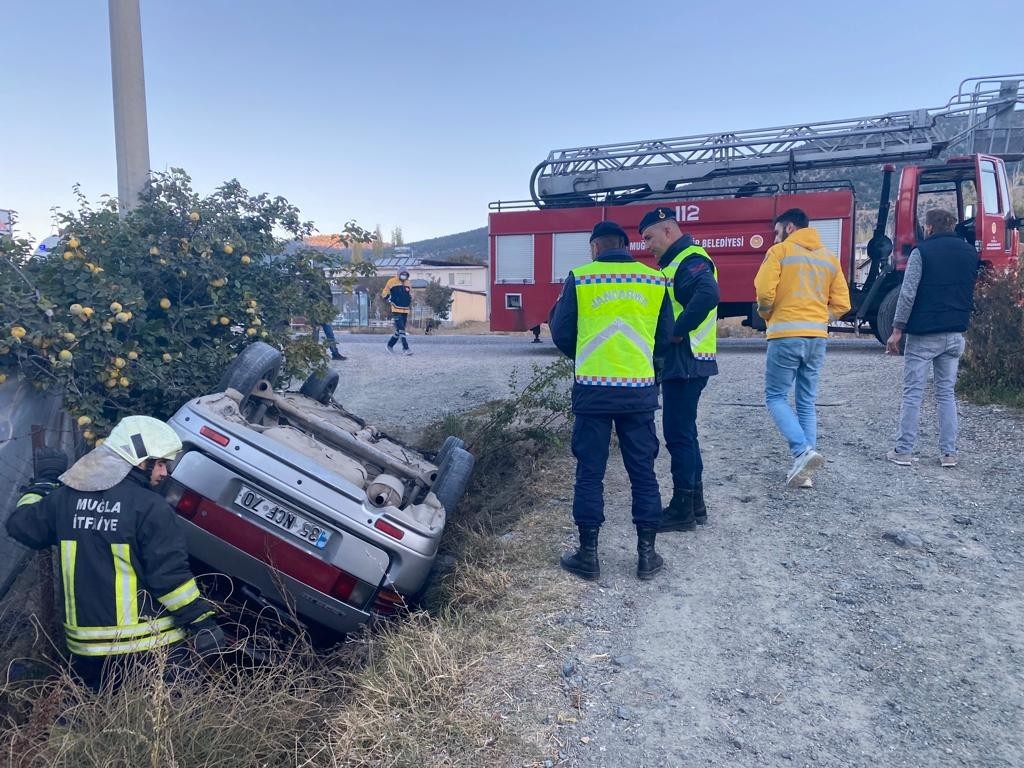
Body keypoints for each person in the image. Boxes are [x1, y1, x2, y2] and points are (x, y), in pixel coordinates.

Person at [6, 416, 224, 690]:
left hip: (86, 650)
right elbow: (169, 578)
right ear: (139, 461)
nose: (164, 473)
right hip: (148, 646)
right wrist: (201, 621)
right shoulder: (150, 508)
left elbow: (22, 525)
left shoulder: (65, 499)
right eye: (160, 463)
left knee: (93, 712)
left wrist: (44, 484)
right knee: (168, 715)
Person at [550, 221, 673, 581]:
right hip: (638, 391)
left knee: (589, 473)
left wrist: (586, 357)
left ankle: (588, 556)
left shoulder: (581, 278)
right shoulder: (654, 280)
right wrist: (642, 361)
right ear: (626, 244)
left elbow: (561, 332)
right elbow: (665, 335)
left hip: (593, 390)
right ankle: (647, 556)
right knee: (643, 473)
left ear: (595, 247)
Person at [754, 208, 851, 488]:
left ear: (789, 228)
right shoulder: (828, 258)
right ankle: (805, 472)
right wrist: (819, 318)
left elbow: (764, 292)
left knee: (775, 397)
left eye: (777, 232)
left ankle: (801, 452)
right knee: (806, 402)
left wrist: (767, 314)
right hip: (816, 338)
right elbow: (842, 304)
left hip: (785, 335)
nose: (775, 238)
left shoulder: (779, 252)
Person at [639, 207, 720, 532]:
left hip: (686, 359)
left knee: (678, 435)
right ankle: (695, 505)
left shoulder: (690, 259)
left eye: (649, 237)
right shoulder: (676, 262)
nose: (646, 245)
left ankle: (682, 510)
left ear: (668, 231)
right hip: (689, 360)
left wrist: (676, 330)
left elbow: (708, 294)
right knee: (685, 433)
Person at [886, 208, 979, 468]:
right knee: (946, 393)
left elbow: (908, 293)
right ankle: (949, 453)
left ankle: (903, 451)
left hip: (924, 335)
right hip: (955, 333)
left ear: (928, 228)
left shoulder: (922, 252)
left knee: (913, 393)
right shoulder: (969, 252)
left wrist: (897, 329)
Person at [382, 269, 413, 355]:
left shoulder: (408, 283)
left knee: (399, 330)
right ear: (399, 274)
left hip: (405, 309)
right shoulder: (391, 281)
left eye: (405, 274)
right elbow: (384, 293)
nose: (404, 276)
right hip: (395, 308)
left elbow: (410, 294)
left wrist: (410, 300)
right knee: (402, 329)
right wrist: (389, 299)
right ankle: (406, 348)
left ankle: (389, 345)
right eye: (402, 274)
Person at [317, 275, 346, 361]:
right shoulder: (313, 286)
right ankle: (314, 354)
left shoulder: (324, 286)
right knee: (320, 335)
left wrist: (328, 309)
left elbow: (330, 298)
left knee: (329, 334)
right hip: (316, 314)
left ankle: (335, 353)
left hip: (324, 313)